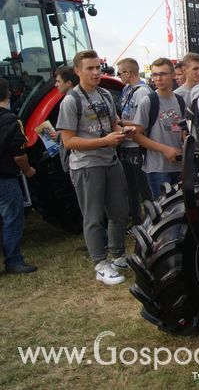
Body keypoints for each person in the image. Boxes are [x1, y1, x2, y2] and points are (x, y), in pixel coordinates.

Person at [56, 50, 130, 285]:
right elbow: (68, 141)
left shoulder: (106, 94)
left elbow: (113, 122)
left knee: (120, 212)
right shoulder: (71, 100)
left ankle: (118, 255)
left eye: (98, 67)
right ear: (78, 71)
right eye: (90, 68)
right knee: (93, 217)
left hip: (110, 161)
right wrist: (104, 141)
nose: (96, 72)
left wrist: (122, 130)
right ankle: (100, 263)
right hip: (87, 166)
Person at [0, 78, 38, 274]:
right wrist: (28, 170)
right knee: (12, 218)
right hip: (5, 179)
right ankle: (13, 261)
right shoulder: (11, 121)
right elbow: (19, 155)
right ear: (8, 94)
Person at [132, 58, 184, 199]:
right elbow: (136, 134)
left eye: (163, 74)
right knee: (164, 210)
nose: (158, 78)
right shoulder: (148, 101)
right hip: (158, 168)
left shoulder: (179, 100)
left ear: (173, 75)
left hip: (179, 166)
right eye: (155, 75)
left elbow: (182, 130)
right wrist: (164, 149)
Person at [117, 57, 152, 224]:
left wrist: (119, 123)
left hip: (137, 145)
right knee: (130, 186)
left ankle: (149, 221)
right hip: (126, 143)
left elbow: (142, 124)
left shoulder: (143, 92)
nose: (119, 77)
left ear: (128, 72)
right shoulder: (126, 90)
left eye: (119, 73)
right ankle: (137, 220)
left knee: (143, 187)